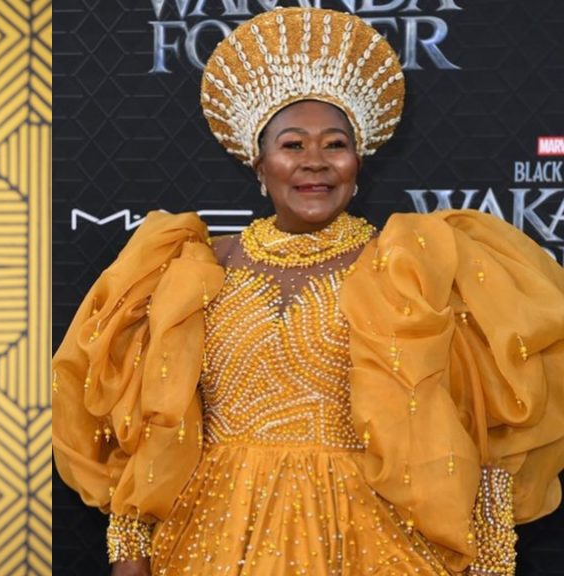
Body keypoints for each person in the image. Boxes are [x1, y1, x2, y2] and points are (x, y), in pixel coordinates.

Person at [52, 7, 564, 575]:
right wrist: (130, 550)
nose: (314, 162)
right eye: (293, 144)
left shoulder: (411, 267)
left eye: (335, 144)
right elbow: (150, 427)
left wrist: (488, 558)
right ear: (259, 162)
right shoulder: (191, 264)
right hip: (213, 541)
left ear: (358, 161)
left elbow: (482, 425)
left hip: (376, 542)